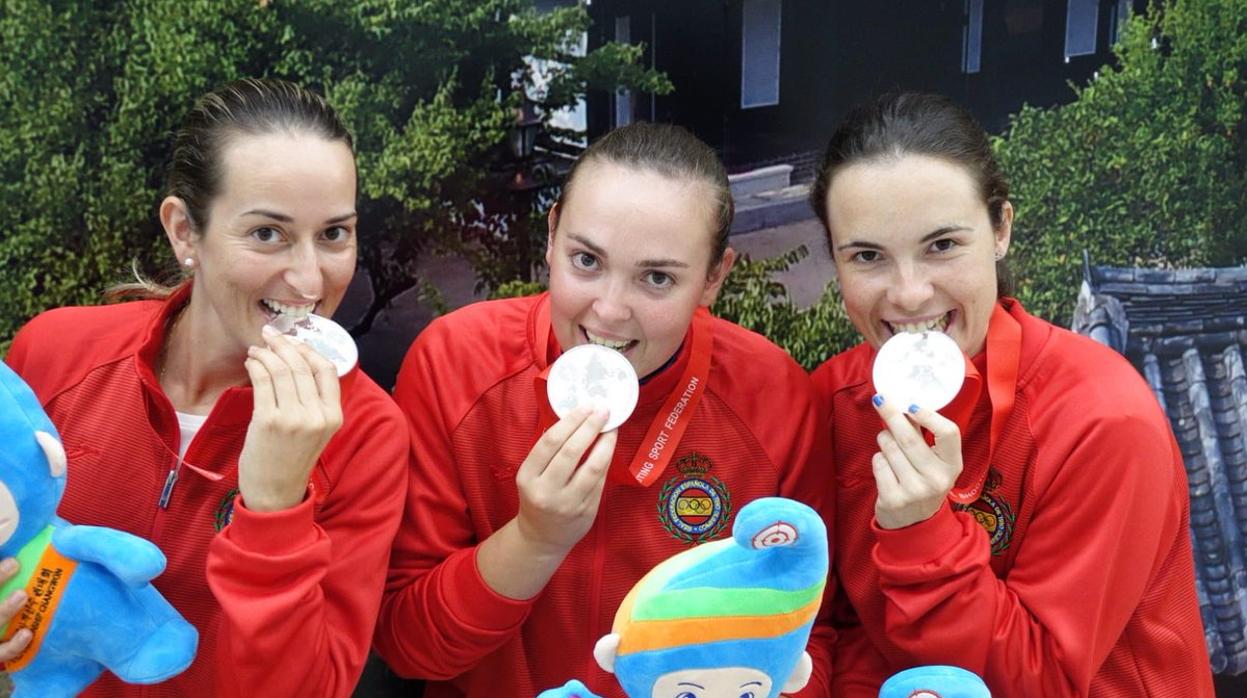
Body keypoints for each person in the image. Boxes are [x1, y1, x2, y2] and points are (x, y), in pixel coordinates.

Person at [373, 122, 833, 696]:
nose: (610, 311)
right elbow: (409, 645)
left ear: (715, 277)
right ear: (551, 236)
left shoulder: (773, 396)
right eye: (586, 261)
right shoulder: (455, 364)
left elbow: (809, 642)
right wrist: (533, 540)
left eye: (658, 277)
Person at [3, 77, 408, 696]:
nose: (309, 278)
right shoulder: (55, 353)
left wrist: (275, 505)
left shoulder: (366, 433)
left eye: (333, 234)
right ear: (185, 232)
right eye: (268, 233)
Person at [808, 91, 1213, 696]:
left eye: (942, 245)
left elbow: (1039, 682)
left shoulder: (1101, 421)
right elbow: (835, 629)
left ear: (1000, 229)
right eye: (868, 256)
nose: (910, 293)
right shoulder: (832, 400)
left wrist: (922, 530)